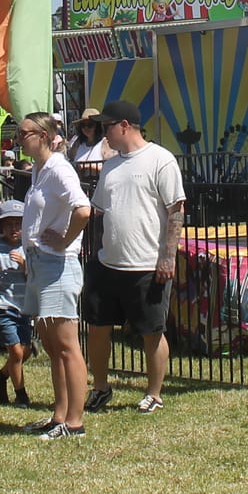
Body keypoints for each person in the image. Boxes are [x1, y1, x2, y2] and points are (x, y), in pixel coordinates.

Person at [83, 99, 186, 416]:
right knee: (97, 327)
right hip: (107, 263)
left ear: (125, 126)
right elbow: (101, 211)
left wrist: (167, 257)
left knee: (151, 332)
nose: (104, 134)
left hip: (146, 265)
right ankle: (101, 387)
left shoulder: (160, 160)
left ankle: (154, 393)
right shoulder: (110, 166)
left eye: (107, 127)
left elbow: (176, 211)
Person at [15, 112, 92, 439]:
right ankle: (59, 414)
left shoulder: (60, 169)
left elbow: (83, 209)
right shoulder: (39, 169)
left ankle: (74, 422)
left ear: (44, 136)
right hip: (38, 262)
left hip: (57, 264)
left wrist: (64, 239)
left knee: (66, 346)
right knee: (51, 344)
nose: (19, 140)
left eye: (24, 134)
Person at [0, 200, 32, 408]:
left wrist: (24, 265)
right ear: (0, 226)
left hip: (24, 306)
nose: (14, 229)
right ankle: (21, 395)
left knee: (26, 351)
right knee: (16, 352)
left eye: (18, 224)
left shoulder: (28, 248)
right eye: (9, 224)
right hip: (1, 306)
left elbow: (34, 277)